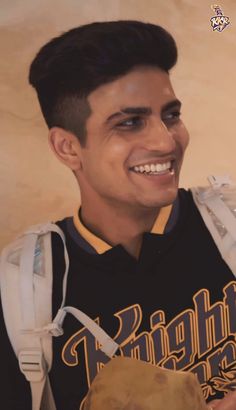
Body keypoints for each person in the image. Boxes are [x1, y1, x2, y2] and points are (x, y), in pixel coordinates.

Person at [0, 20, 236, 410]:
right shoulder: (22, 294)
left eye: (171, 115)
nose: (166, 140)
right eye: (130, 123)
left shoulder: (226, 225)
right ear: (68, 148)